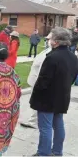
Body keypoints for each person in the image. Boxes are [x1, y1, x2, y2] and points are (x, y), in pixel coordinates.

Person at [29, 27, 78, 156]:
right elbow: (72, 78)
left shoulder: (51, 57)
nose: (48, 40)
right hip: (62, 96)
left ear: (56, 41)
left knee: (45, 127)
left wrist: (35, 96)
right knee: (58, 124)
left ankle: (43, 153)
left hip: (47, 99)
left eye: (50, 38)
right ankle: (57, 151)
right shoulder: (73, 57)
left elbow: (43, 81)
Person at [20, 33, 53, 129]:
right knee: (36, 101)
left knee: (37, 101)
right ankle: (35, 120)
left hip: (39, 81)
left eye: (48, 39)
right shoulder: (47, 50)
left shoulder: (50, 53)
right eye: (46, 39)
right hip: (35, 80)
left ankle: (33, 121)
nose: (46, 41)